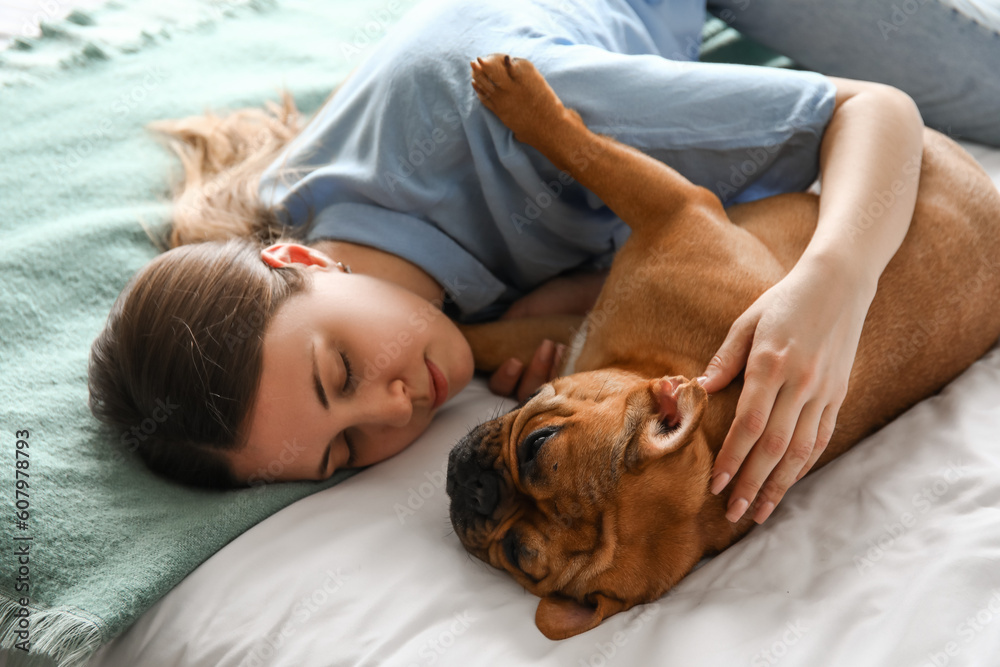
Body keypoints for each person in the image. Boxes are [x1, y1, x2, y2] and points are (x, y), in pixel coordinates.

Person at [88, 0, 1000, 527]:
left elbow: (872, 115)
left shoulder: (510, 108)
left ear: (295, 260)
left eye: (342, 371)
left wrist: (833, 283)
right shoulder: (323, 232)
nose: (396, 407)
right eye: (342, 452)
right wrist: (571, 302)